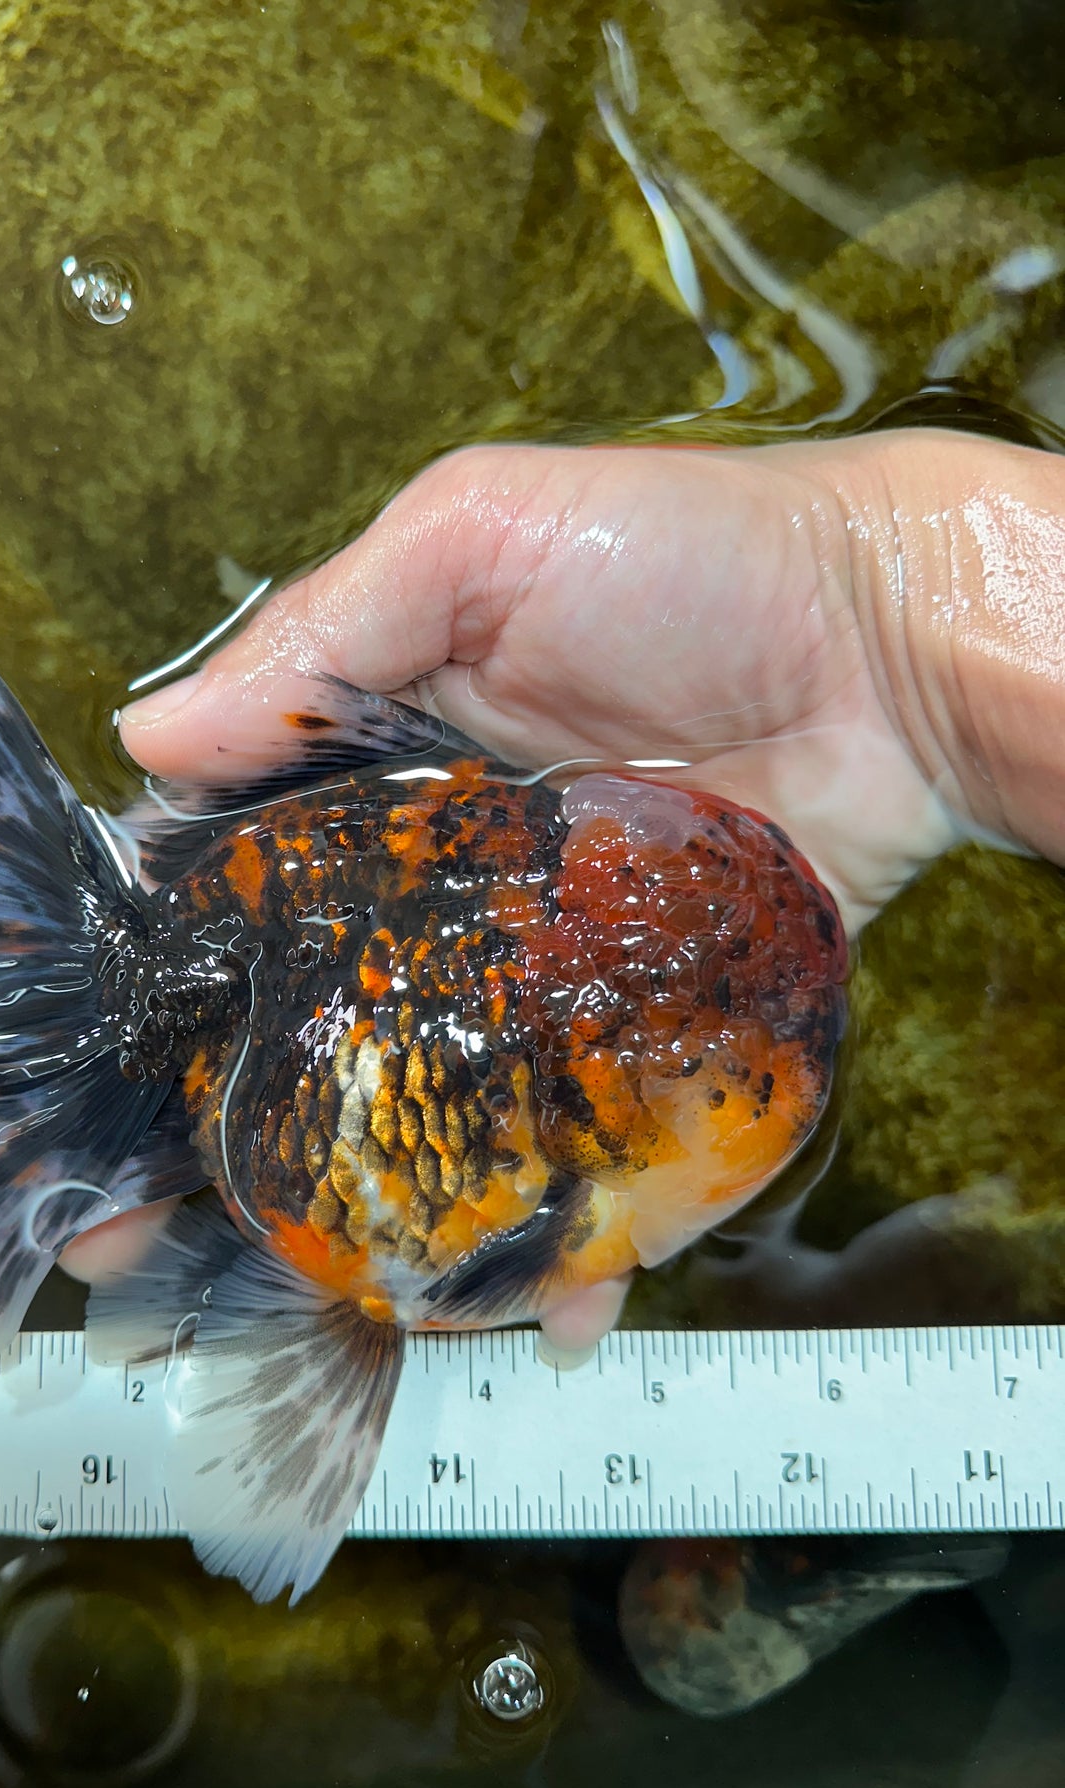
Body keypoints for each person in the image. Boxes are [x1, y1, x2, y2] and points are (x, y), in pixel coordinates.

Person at [61, 427, 1065, 1346]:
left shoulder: (592, 1158)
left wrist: (881, 595)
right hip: (263, 961)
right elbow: (471, 1274)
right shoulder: (597, 1160)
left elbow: (478, 1270)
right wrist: (881, 606)